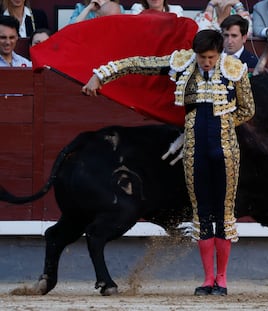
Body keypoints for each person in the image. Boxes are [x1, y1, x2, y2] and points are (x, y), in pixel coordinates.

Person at [82, 29, 255, 296]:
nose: (205, 62)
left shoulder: (235, 69)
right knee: (202, 213)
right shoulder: (184, 62)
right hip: (196, 149)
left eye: (210, 57)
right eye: (201, 57)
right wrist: (101, 74)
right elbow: (139, 63)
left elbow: (248, 109)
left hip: (225, 150)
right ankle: (208, 279)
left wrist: (223, 125)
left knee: (224, 214)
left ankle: (222, 278)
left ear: (219, 53)